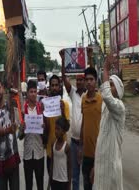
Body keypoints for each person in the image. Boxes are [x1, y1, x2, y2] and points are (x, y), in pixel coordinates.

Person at [93, 55, 126, 190]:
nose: (108, 87)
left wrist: (105, 69)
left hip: (111, 170)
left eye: (111, 85)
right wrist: (95, 167)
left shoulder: (119, 107)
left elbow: (106, 95)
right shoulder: (105, 107)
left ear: (117, 91)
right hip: (101, 169)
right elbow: (101, 142)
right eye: (109, 83)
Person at [0, 77, 20, 190]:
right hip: (1, 160)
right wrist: (8, 130)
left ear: (3, 89)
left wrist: (15, 97)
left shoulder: (10, 105)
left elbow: (19, 117)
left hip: (13, 155)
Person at [60, 50, 86, 190]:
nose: (80, 81)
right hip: (75, 142)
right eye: (79, 79)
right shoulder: (73, 93)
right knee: (75, 176)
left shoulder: (90, 95)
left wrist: (91, 56)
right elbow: (64, 78)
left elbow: (92, 73)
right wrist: (64, 60)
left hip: (87, 143)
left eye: (83, 79)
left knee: (88, 176)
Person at [18, 80, 45, 190]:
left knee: (40, 183)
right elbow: (20, 137)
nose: (33, 94)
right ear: (27, 93)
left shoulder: (41, 109)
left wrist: (44, 127)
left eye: (35, 91)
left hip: (39, 153)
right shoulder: (23, 111)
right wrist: (22, 129)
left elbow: (45, 134)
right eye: (31, 91)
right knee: (28, 184)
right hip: (28, 154)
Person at [79, 67, 102, 190]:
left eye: (91, 79)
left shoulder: (102, 100)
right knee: (87, 185)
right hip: (86, 154)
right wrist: (80, 147)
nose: (88, 82)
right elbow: (83, 123)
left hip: (99, 154)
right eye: (86, 79)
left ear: (96, 81)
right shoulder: (83, 99)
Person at [44, 75, 70, 176]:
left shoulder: (65, 104)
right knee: (52, 180)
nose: (54, 87)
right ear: (49, 87)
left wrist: (63, 111)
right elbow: (46, 130)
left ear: (59, 87)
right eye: (52, 85)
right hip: (50, 151)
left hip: (62, 151)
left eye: (56, 85)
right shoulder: (46, 105)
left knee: (62, 181)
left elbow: (67, 127)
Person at [49, 117, 71, 190]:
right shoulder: (53, 144)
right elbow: (52, 163)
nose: (56, 131)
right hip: (54, 180)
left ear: (63, 131)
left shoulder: (67, 147)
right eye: (55, 128)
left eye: (58, 129)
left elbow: (69, 167)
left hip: (64, 181)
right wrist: (49, 182)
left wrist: (69, 185)